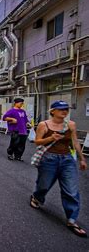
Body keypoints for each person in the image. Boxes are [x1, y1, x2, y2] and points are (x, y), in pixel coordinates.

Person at [31, 100, 87, 237]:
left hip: (67, 159)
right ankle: (37, 197)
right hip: (48, 159)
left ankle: (72, 219)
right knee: (44, 185)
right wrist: (51, 138)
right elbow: (37, 142)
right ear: (53, 111)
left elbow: (75, 142)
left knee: (71, 190)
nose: (64, 111)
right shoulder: (44, 125)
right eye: (61, 109)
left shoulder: (71, 125)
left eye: (66, 109)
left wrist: (82, 159)